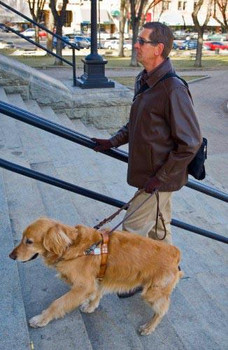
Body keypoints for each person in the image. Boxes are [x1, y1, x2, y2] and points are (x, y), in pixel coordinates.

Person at [92, 22, 202, 250]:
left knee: (131, 231)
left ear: (158, 48)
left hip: (158, 178)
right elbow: (138, 122)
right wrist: (112, 142)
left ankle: (130, 280)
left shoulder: (173, 89)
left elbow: (190, 143)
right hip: (151, 177)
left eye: (142, 41)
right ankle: (167, 273)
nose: (136, 45)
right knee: (158, 230)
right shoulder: (144, 80)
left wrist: (158, 179)